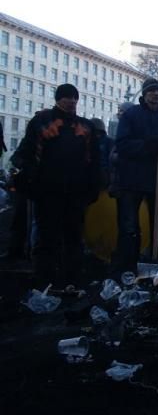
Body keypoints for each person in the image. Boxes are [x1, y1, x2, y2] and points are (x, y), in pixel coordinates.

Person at [10, 84, 100, 287]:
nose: (71, 101)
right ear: (58, 99)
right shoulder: (42, 121)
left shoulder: (85, 127)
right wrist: (27, 177)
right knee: (47, 237)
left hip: (76, 191)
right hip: (48, 191)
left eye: (74, 98)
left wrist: (94, 186)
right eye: (67, 97)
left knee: (74, 236)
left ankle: (72, 279)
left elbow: (94, 158)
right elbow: (27, 151)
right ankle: (45, 280)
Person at [115, 78, 158, 273]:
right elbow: (122, 144)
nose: (155, 94)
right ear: (144, 94)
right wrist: (147, 145)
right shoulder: (132, 115)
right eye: (152, 91)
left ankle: (157, 262)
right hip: (133, 180)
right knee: (130, 226)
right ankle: (128, 264)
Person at [90, 118, 114, 189]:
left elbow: (111, 159)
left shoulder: (108, 142)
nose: (97, 134)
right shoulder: (88, 140)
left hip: (103, 174)